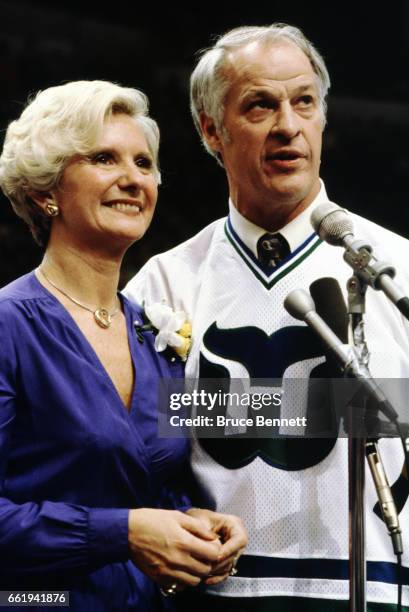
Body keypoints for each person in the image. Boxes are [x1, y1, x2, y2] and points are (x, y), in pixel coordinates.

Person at [124, 24, 409, 611]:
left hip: (376, 590)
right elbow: (134, 459)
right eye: (260, 105)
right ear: (212, 132)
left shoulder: (398, 268)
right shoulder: (161, 283)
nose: (288, 125)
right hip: (213, 596)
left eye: (304, 101)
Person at [0, 80, 247, 611]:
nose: (133, 179)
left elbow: (144, 483)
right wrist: (124, 533)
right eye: (104, 158)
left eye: (143, 163)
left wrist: (189, 524)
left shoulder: (152, 331)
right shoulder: (8, 325)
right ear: (48, 190)